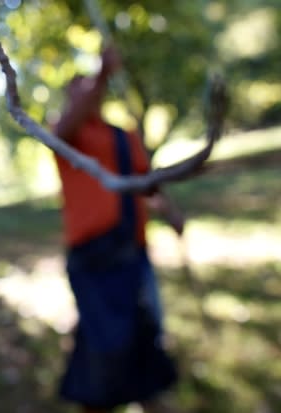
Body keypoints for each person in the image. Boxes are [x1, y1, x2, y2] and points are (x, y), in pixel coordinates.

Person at [52, 45, 185, 413]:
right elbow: (69, 121)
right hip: (93, 261)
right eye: (77, 88)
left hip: (133, 255)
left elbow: (147, 187)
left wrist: (171, 213)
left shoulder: (125, 138)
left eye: (88, 86)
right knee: (105, 344)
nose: (85, 91)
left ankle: (149, 398)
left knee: (145, 335)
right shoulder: (66, 135)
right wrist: (103, 73)